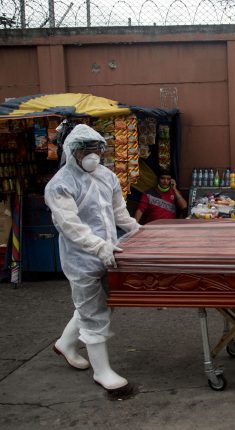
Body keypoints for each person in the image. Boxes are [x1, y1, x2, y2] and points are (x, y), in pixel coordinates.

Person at [45, 124, 140, 395]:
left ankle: (65, 343)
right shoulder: (59, 185)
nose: (92, 156)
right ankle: (102, 372)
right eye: (85, 150)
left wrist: (137, 231)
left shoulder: (107, 176)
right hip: (81, 258)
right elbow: (70, 225)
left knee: (107, 302)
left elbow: (119, 213)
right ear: (72, 152)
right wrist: (98, 247)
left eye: (96, 150)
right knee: (92, 310)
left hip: (110, 251)